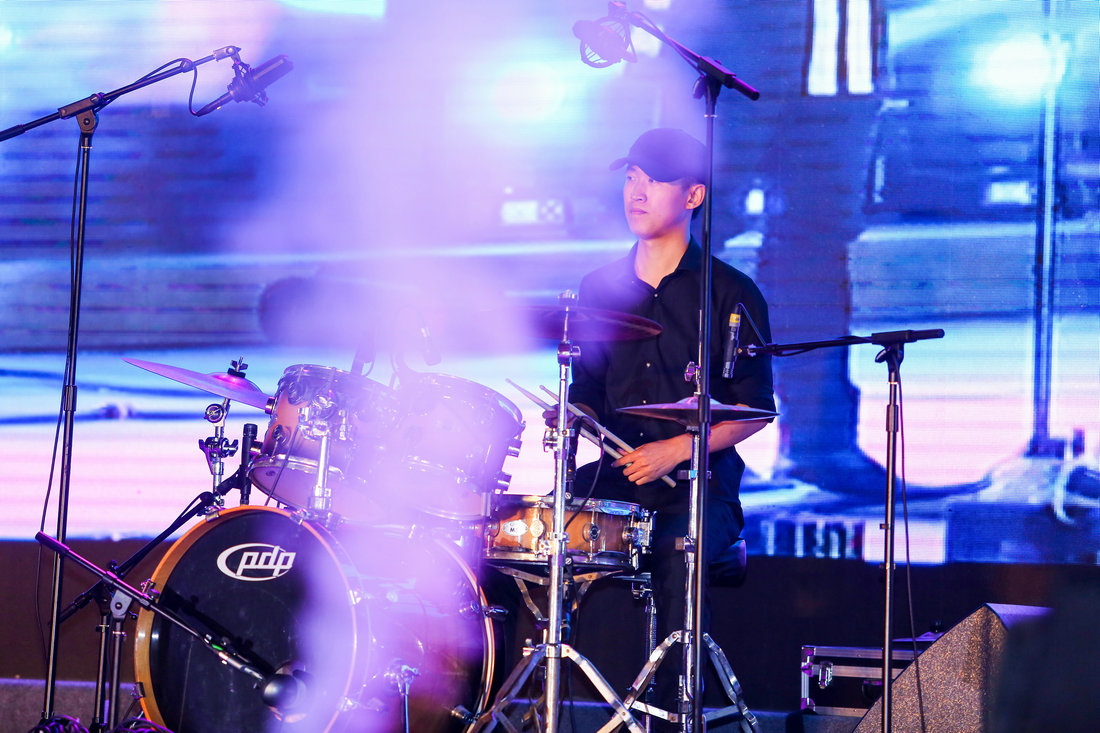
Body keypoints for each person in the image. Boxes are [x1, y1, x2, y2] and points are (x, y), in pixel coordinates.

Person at [563, 127, 776, 726]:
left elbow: (755, 408)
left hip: (699, 488)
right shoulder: (598, 289)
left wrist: (676, 450)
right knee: (534, 534)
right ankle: (547, 696)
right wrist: (575, 414)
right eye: (631, 177)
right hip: (615, 477)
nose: (637, 191)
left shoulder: (732, 292)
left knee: (677, 549)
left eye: (654, 180)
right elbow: (587, 390)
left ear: (693, 196)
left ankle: (674, 712)